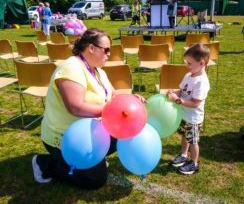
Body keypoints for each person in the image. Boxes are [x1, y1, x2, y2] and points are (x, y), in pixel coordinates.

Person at [32, 28, 146, 189]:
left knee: (127, 130)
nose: (109, 54)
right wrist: (113, 112)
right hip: (65, 137)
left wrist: (129, 99)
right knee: (95, 180)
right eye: (106, 50)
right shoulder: (71, 68)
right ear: (91, 48)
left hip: (90, 130)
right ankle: (44, 163)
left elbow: (113, 93)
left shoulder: (98, 71)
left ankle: (94, 158)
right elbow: (75, 107)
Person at [167, 43, 210, 175]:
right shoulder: (189, 75)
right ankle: (184, 155)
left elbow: (196, 103)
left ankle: (194, 163)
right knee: (184, 137)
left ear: (201, 63)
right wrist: (174, 93)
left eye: (189, 63)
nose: (187, 65)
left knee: (193, 141)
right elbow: (182, 90)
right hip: (184, 115)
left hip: (193, 118)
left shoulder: (201, 82)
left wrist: (178, 100)